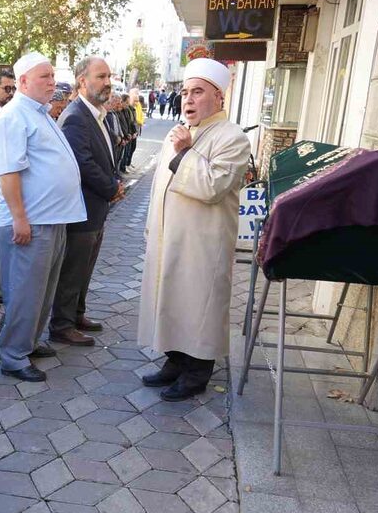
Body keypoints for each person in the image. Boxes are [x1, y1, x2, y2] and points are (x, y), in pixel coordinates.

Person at [139, 58, 249, 401]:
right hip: (169, 237)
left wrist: (186, 152)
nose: (188, 99)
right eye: (185, 92)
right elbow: (160, 187)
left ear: (219, 97)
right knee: (171, 300)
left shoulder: (232, 138)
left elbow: (213, 186)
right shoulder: (181, 132)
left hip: (204, 244)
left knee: (199, 305)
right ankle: (175, 361)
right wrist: (150, 227)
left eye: (197, 92)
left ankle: (198, 372)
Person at [0, 52, 86, 382]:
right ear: (24, 82)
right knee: (25, 290)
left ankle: (28, 341)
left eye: (53, 75)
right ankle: (14, 355)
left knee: (42, 289)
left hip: (51, 218)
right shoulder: (13, 116)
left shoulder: (39, 113)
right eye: (45, 76)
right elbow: (9, 172)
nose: (52, 82)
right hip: (30, 221)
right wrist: (19, 218)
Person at [50, 56, 121, 347]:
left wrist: (115, 181)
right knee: (73, 269)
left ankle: (76, 314)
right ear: (82, 81)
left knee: (85, 267)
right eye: (101, 77)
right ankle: (62, 324)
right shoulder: (77, 115)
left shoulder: (97, 113)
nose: (108, 83)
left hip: (95, 208)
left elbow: (106, 154)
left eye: (108, 76)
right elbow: (82, 162)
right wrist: (110, 187)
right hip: (81, 209)